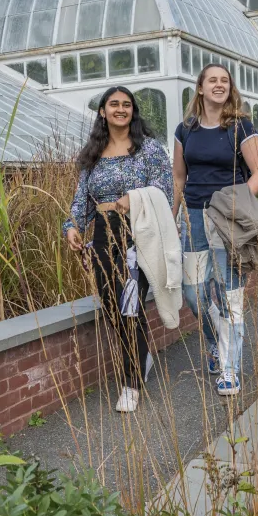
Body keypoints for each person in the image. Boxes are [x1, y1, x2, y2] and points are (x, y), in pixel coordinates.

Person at [64, 86, 173, 413]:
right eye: (114, 104)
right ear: (103, 112)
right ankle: (141, 355)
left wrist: (135, 199)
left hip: (137, 233)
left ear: (133, 111)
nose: (121, 109)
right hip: (101, 234)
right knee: (113, 305)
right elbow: (82, 198)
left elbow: (164, 193)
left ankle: (131, 381)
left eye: (127, 105)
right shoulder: (93, 153)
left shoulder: (150, 150)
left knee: (131, 304)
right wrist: (70, 227)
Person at [173, 63, 258, 397]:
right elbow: (178, 178)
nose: (219, 84)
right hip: (194, 220)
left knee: (230, 293)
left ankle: (229, 368)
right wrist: (174, 219)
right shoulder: (185, 130)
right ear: (199, 88)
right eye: (211, 80)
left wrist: (232, 205)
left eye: (224, 80)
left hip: (228, 221)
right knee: (194, 293)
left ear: (230, 88)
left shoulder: (240, 127)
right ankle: (215, 343)